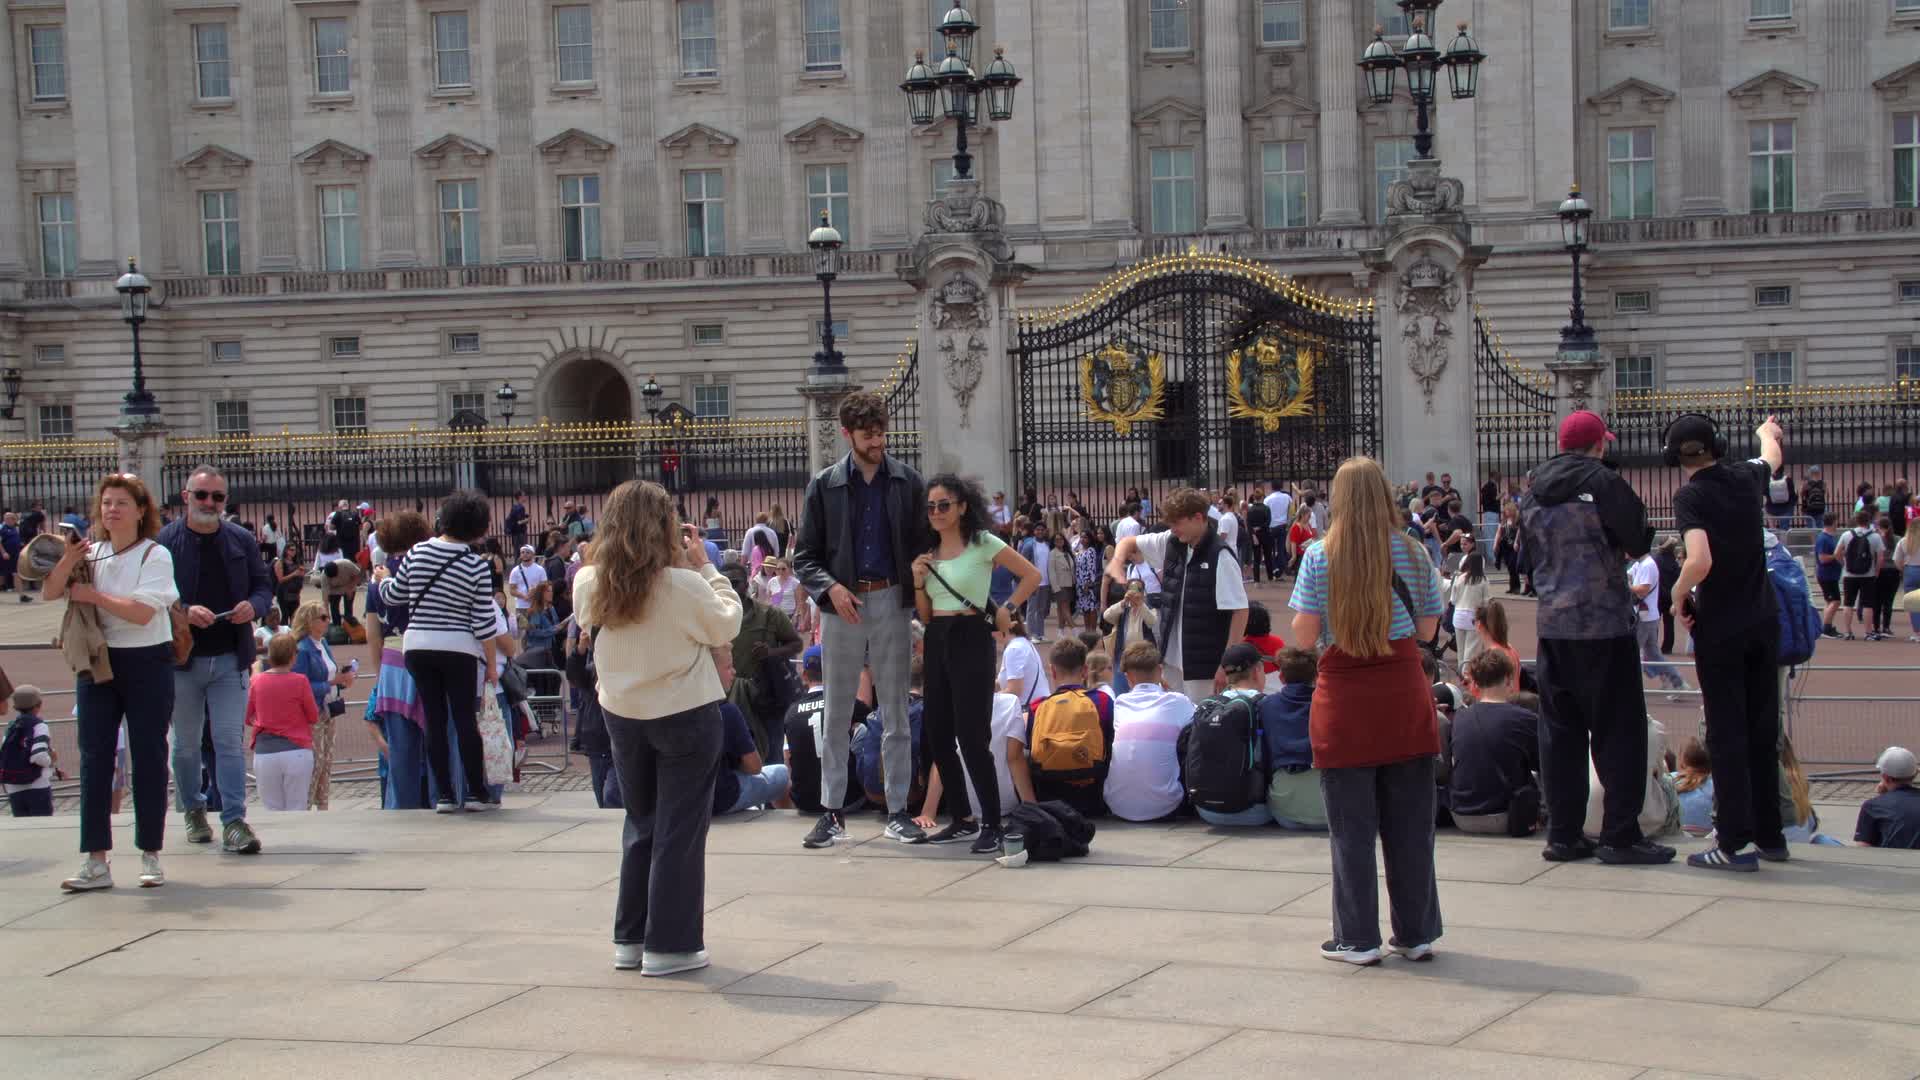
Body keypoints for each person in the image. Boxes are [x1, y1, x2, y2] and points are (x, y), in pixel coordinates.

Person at [570, 479, 742, 977]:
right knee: (679, 830)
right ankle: (671, 944)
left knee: (641, 821)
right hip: (685, 710)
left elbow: (587, 618)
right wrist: (706, 566)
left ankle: (631, 937)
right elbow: (726, 623)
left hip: (623, 712)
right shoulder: (681, 584)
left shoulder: (589, 580)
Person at [1288, 456, 1445, 966]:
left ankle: (1358, 936)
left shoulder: (1319, 555)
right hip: (1402, 691)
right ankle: (1416, 932)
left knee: (1351, 830)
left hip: (1345, 696)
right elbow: (1427, 630)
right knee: (1411, 827)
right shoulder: (1414, 552)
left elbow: (1305, 635)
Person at [1521, 410, 1670, 866]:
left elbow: (1527, 558)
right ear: (1598, 444)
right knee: (1619, 731)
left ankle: (1563, 833)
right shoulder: (1604, 482)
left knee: (1559, 733)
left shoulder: (1533, 489)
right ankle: (1619, 834)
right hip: (1603, 624)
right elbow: (1639, 540)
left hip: (1553, 624)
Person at [790, 391, 927, 849]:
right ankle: (832, 811)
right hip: (842, 604)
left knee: (896, 711)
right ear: (846, 433)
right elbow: (804, 557)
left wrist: (919, 573)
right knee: (836, 711)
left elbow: (924, 544)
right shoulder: (824, 485)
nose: (877, 442)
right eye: (868, 435)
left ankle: (898, 810)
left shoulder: (908, 481)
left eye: (881, 433)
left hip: (891, 598)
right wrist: (829, 587)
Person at [45, 474, 179, 890]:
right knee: (94, 757)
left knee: (149, 755)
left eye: (121, 503)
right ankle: (96, 859)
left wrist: (94, 597)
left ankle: (150, 853)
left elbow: (141, 613)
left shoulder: (155, 554)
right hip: (98, 660)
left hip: (147, 660)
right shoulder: (92, 553)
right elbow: (50, 591)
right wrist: (67, 561)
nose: (112, 510)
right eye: (106, 503)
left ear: (140, 511)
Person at [1668, 412, 1787, 872]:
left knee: (1726, 732)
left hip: (1722, 626)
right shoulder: (1745, 477)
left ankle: (1734, 842)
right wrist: (1765, 432)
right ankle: (1770, 834)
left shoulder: (1691, 497)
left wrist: (1678, 594)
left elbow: (1699, 560)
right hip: (1763, 619)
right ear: (1717, 444)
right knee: (1762, 728)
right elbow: (1771, 456)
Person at [910, 474, 1042, 853]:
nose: (936, 512)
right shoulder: (927, 551)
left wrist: (1008, 608)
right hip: (937, 637)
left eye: (944, 505)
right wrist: (918, 581)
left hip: (972, 637)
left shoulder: (982, 541)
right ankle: (962, 818)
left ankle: (992, 823)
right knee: (937, 733)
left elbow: (1031, 575)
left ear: (963, 506)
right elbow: (925, 614)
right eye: (931, 507)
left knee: (972, 735)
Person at [159, 464, 272, 855]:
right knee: (186, 745)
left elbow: (263, 586)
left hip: (230, 657)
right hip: (183, 660)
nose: (209, 502)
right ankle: (193, 809)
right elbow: (152, 597)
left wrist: (253, 606)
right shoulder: (165, 542)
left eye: (218, 496)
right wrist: (184, 611)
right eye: (202, 494)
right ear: (185, 496)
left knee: (229, 742)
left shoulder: (241, 539)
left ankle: (234, 820)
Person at [371, 490, 502, 813]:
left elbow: (394, 595)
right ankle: (475, 792)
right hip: (459, 647)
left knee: (434, 718)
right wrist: (491, 663)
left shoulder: (418, 552)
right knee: (464, 719)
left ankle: (443, 794)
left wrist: (383, 579)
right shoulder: (476, 565)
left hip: (418, 645)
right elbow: (483, 621)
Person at [1106, 488, 1250, 702]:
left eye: (1177, 523)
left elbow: (1240, 611)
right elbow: (1128, 542)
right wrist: (1117, 562)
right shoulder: (1172, 541)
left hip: (1204, 664)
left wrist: (1226, 663)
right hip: (1171, 660)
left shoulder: (1220, 556)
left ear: (1198, 518)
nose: (1173, 529)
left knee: (1201, 717)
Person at [363, 512, 432, 810]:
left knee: (400, 749)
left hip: (392, 663)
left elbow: (372, 634)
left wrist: (379, 673)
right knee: (436, 742)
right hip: (426, 655)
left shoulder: (377, 578)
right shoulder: (423, 568)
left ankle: (401, 808)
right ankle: (439, 800)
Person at [1007, 638, 1114, 817]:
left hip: (1049, 801)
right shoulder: (1103, 701)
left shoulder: (1037, 707)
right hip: (1093, 801)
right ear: (1085, 671)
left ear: (1053, 671)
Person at [1444, 651, 1541, 836]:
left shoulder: (1460, 718)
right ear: (1508, 680)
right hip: (1508, 816)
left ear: (1475, 683)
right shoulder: (1524, 718)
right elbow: (1543, 765)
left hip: (1460, 816)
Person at [1096, 641, 1195, 823]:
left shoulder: (1120, 703)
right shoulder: (1178, 701)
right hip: (1166, 806)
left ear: (1127, 677)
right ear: (1160, 670)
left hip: (1117, 805)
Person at [721, 563, 805, 773]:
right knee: (731, 762)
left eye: (735, 583)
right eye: (726, 583)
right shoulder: (713, 618)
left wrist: (771, 652)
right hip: (727, 700)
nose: (731, 588)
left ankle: (774, 793)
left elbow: (796, 644)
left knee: (772, 759)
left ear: (746, 584)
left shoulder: (770, 615)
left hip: (765, 699)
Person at [783, 646, 871, 816]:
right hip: (847, 800)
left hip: (805, 802)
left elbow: (787, 759)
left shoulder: (791, 712)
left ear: (804, 676)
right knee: (865, 731)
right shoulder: (848, 704)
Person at [710, 646, 791, 815]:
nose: (734, 671)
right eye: (728, 667)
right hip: (723, 798)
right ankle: (787, 822)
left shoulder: (678, 710)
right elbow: (754, 767)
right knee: (782, 774)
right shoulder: (726, 711)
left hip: (687, 800)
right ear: (710, 673)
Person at [245, 632, 322, 812]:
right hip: (297, 750)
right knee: (297, 807)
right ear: (293, 656)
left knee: (271, 809)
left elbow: (247, 716)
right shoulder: (300, 681)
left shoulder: (256, 681)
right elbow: (313, 716)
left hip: (265, 751)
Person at [289, 601, 354, 809]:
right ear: (310, 621)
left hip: (328, 710)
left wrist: (342, 680)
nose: (328, 621)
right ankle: (305, 806)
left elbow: (329, 673)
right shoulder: (302, 649)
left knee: (326, 761)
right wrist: (332, 683)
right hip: (313, 713)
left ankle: (323, 806)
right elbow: (300, 685)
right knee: (314, 763)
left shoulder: (323, 643)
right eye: (323, 618)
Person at [1628, 550, 1688, 697]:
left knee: (1633, 653)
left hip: (1645, 618)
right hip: (1647, 616)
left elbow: (1643, 590)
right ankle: (1677, 682)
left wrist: (1627, 586)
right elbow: (1628, 575)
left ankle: (1633, 689)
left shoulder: (1647, 565)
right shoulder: (1639, 564)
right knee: (1652, 653)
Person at [3, 685, 55, 816]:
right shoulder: (39, 725)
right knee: (42, 825)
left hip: (13, 787)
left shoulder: (11, 727)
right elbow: (39, 756)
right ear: (39, 705)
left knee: (23, 825)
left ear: (15, 707)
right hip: (37, 785)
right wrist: (51, 760)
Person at [1854, 746, 1920, 849]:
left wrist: (1881, 797)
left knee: (1825, 840)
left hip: (1892, 859)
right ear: (1915, 774)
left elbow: (1863, 849)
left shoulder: (1872, 806)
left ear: (1885, 777)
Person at [1834, 509, 1884, 641]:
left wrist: (1844, 564)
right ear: (1869, 521)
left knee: (1848, 603)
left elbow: (1837, 553)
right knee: (1868, 604)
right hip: (1868, 574)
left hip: (1849, 574)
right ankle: (1868, 632)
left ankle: (1848, 632)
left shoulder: (1846, 535)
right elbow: (1880, 557)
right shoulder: (1875, 536)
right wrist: (1876, 571)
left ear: (1856, 520)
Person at [998, 609, 1050, 709]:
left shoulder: (1014, 649)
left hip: (1030, 711)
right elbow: (1009, 680)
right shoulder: (1021, 642)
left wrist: (991, 698)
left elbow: (1014, 690)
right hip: (1037, 707)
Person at [1448, 552, 1489, 662]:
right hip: (1474, 616)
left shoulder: (1459, 578)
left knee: (1461, 651)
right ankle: (1468, 672)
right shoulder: (1483, 580)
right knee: (1471, 650)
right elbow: (1486, 602)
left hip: (1458, 615)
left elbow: (1453, 600)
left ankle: (1461, 670)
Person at [1671, 738, 1715, 836]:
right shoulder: (1716, 786)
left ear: (1682, 761)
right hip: (1709, 837)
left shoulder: (1670, 781)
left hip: (1675, 836)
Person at [1813, 513, 1844, 637]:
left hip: (1831, 574)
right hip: (1827, 575)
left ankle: (1827, 625)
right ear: (1833, 522)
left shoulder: (1830, 537)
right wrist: (1836, 556)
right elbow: (1822, 558)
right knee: (1835, 601)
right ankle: (1826, 627)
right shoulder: (1823, 539)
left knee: (1830, 601)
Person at [1874, 516, 1901, 641]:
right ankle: (1886, 627)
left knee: (1877, 601)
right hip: (1893, 571)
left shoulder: (1876, 539)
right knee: (1888, 601)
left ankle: (1876, 627)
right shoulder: (1897, 539)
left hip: (1879, 571)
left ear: (1879, 526)